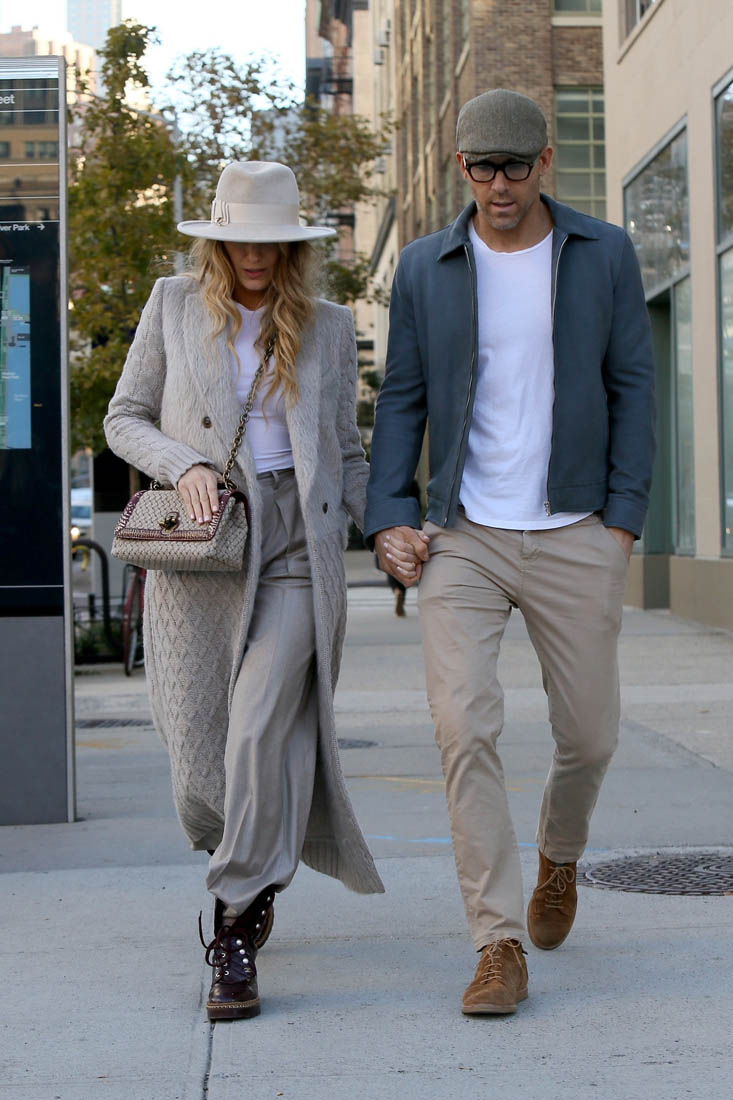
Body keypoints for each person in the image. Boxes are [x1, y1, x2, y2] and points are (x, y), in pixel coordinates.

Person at [365, 89, 655, 1015]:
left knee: (589, 736)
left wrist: (621, 520)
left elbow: (632, 386)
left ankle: (558, 857)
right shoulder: (424, 266)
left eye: (515, 167)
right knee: (463, 727)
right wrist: (388, 516)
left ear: (544, 163)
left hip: (576, 528)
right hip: (465, 534)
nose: (499, 185)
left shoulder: (602, 253)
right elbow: (402, 397)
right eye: (482, 168)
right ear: (461, 167)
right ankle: (496, 944)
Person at [105, 161, 384, 1021]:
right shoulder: (172, 305)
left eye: (272, 242)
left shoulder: (328, 326)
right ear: (217, 242)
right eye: (241, 241)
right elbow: (124, 416)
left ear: (292, 247)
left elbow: (347, 451)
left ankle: (231, 923)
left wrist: (393, 527)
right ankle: (249, 863)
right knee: (202, 751)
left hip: (297, 540)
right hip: (206, 545)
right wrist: (182, 463)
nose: (255, 256)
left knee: (262, 724)